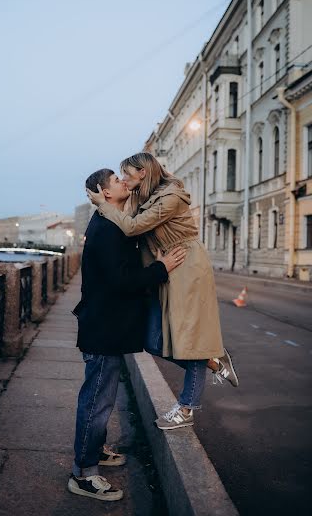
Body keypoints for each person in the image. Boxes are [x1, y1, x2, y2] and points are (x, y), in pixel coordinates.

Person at [87, 152, 239, 432]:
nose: (126, 181)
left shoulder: (172, 196)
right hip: (162, 269)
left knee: (189, 341)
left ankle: (186, 408)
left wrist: (102, 205)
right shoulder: (141, 197)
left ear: (142, 173)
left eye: (127, 175)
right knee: (154, 341)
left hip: (185, 266)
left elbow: (132, 228)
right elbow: (123, 226)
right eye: (120, 178)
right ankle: (213, 360)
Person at [69, 168, 186, 501]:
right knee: (96, 400)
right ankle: (83, 473)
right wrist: (161, 268)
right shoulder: (106, 229)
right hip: (104, 328)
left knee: (100, 397)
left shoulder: (112, 224)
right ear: (106, 193)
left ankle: (94, 451)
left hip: (107, 326)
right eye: (117, 181)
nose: (124, 182)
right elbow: (121, 280)